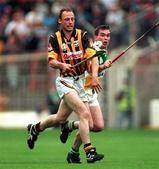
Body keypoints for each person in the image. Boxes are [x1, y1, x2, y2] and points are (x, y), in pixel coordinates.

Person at [26, 8, 104, 163]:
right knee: (84, 113)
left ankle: (35, 129)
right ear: (60, 21)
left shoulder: (83, 36)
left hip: (81, 81)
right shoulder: (54, 38)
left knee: (59, 118)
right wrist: (61, 65)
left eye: (72, 19)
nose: (70, 22)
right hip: (65, 82)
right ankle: (89, 151)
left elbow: (93, 58)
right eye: (67, 19)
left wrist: (94, 76)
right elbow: (51, 61)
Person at [60, 25, 112, 163]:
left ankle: (69, 127)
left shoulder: (103, 50)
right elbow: (87, 69)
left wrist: (103, 66)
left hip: (92, 92)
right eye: (102, 35)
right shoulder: (92, 49)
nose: (105, 38)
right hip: (82, 89)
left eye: (107, 35)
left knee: (98, 126)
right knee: (87, 123)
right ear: (96, 37)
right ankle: (77, 152)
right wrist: (102, 66)